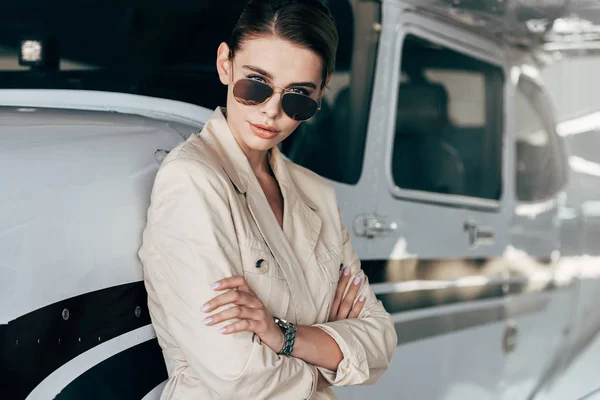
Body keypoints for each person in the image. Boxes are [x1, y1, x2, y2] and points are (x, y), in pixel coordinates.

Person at [138, 0, 397, 398]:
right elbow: (236, 375)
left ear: (322, 92)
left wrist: (283, 337)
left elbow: (380, 341)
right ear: (226, 64)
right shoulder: (192, 180)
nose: (272, 112)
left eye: (298, 98)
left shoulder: (317, 194)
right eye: (255, 85)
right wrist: (326, 363)